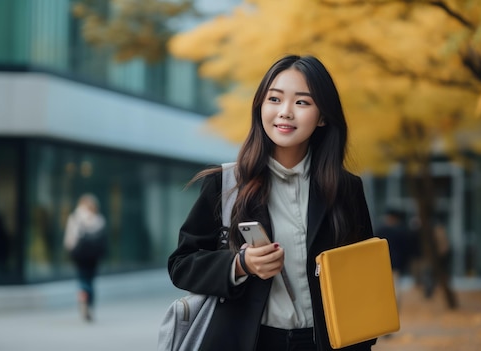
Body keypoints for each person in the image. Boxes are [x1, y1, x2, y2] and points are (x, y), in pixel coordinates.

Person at [168, 55, 376, 350]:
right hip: (250, 341)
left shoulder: (345, 189)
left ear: (323, 116)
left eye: (302, 102)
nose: (285, 112)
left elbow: (361, 279)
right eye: (275, 99)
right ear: (260, 107)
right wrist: (240, 264)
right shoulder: (227, 184)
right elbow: (181, 264)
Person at [64, 193, 107, 322]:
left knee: (82, 280)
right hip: (93, 257)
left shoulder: (75, 218)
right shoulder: (98, 219)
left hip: (80, 256)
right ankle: (90, 305)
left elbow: (69, 239)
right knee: (90, 281)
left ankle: (83, 301)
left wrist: (70, 250)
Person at [375, 208, 410, 309]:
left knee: (383, 287)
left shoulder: (381, 230)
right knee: (395, 287)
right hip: (396, 263)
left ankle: (385, 307)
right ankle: (394, 308)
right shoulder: (402, 231)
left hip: (382, 263)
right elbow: (405, 250)